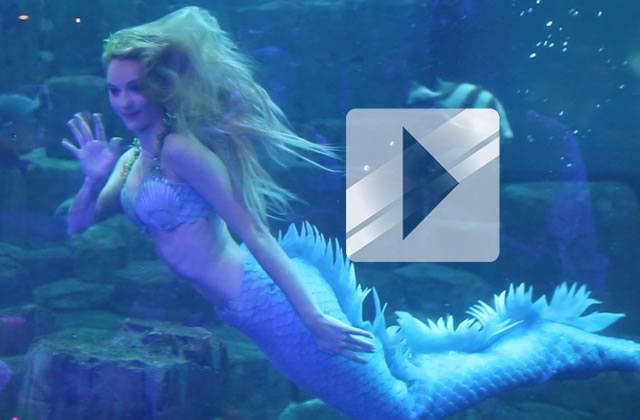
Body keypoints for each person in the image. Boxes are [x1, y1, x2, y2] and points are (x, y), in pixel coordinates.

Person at [62, 7, 639, 420]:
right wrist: (91, 179)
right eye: (114, 90)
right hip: (247, 312)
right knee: (389, 399)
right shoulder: (135, 157)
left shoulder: (184, 151)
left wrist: (312, 318)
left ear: (161, 87)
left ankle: (558, 346)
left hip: (273, 300)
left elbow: (255, 232)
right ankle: (523, 346)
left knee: (405, 410)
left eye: (134, 88)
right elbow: (77, 225)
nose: (125, 101)